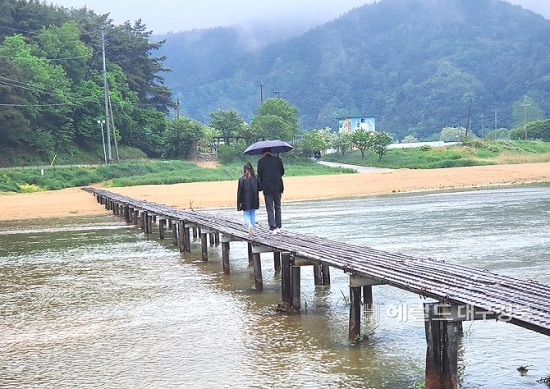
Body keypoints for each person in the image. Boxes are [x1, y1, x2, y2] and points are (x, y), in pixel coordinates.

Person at [257, 147, 285, 234]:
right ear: (271, 152)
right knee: (278, 207)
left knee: (270, 208)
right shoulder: (278, 160)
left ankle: (272, 227)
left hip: (267, 188)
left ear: (263, 153)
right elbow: (282, 172)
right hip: (278, 186)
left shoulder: (261, 162)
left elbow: (259, 175)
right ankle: (278, 226)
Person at [237, 162, 260, 234]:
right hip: (254, 198)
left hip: (245, 199)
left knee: (246, 213)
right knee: (252, 212)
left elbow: (240, 192)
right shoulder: (256, 177)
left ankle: (249, 225)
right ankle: (252, 226)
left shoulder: (242, 179)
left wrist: (239, 202)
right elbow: (260, 188)